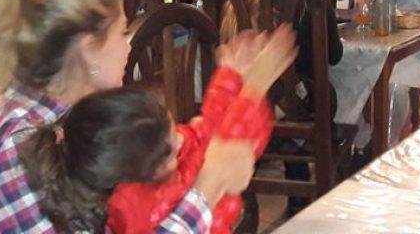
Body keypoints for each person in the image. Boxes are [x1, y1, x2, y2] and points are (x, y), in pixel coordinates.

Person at [0, 0, 275, 232]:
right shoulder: (16, 149)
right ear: (89, 50)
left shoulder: (78, 121)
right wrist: (209, 187)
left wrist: (239, 90)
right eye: (122, 32)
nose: (128, 45)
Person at [18, 26, 296, 234]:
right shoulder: (140, 211)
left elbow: (206, 137)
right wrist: (254, 90)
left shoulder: (142, 156)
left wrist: (231, 79)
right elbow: (224, 153)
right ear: (139, 177)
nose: (180, 140)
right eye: (170, 149)